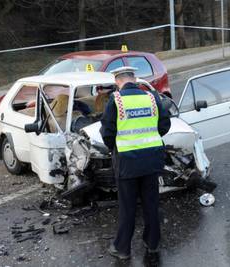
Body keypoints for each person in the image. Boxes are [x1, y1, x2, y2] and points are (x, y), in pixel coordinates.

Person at [101, 66, 171, 265]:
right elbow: (164, 125)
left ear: (118, 81)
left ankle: (122, 248)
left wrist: (114, 147)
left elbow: (107, 132)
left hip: (127, 162)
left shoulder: (116, 100)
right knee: (151, 204)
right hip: (151, 160)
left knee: (128, 207)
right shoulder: (151, 97)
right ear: (134, 78)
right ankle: (153, 243)